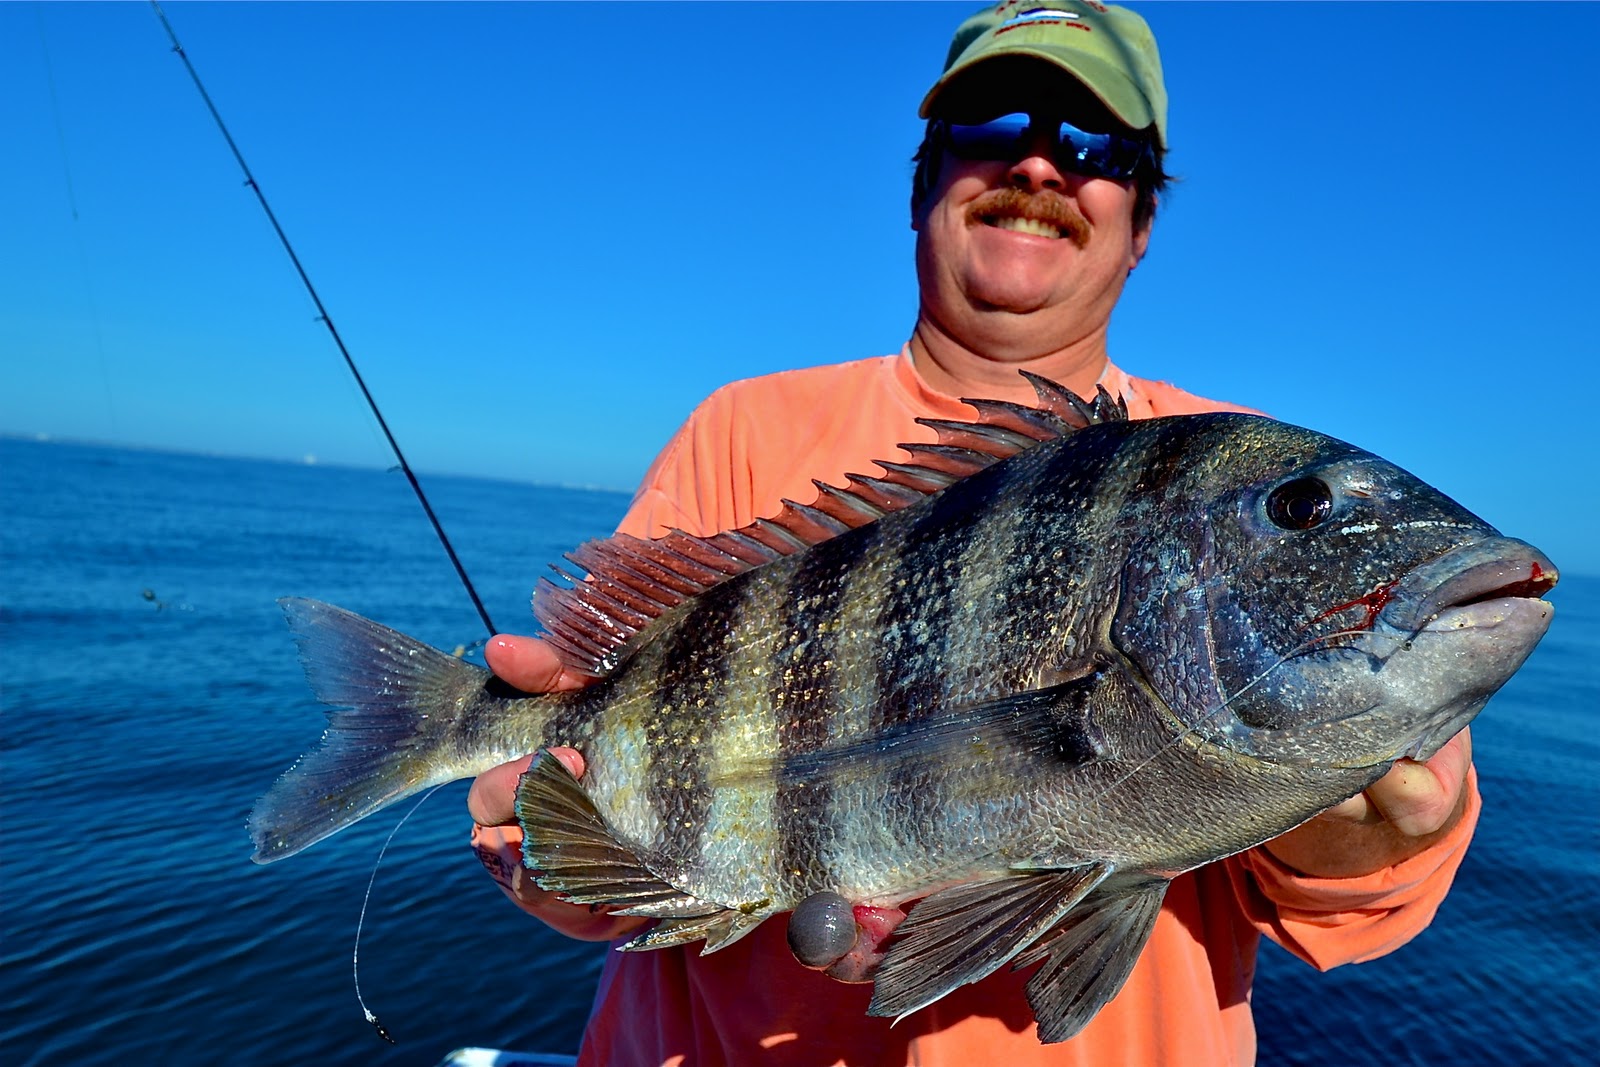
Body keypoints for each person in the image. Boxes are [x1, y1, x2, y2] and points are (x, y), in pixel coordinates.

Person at [467, 3, 1478, 1064]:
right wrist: (551, 853)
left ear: (1141, 226)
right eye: (992, 129)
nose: (1039, 165)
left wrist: (1349, 823)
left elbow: (1363, 908)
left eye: (1097, 147)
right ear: (921, 184)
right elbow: (591, 861)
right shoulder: (741, 431)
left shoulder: (1234, 487)